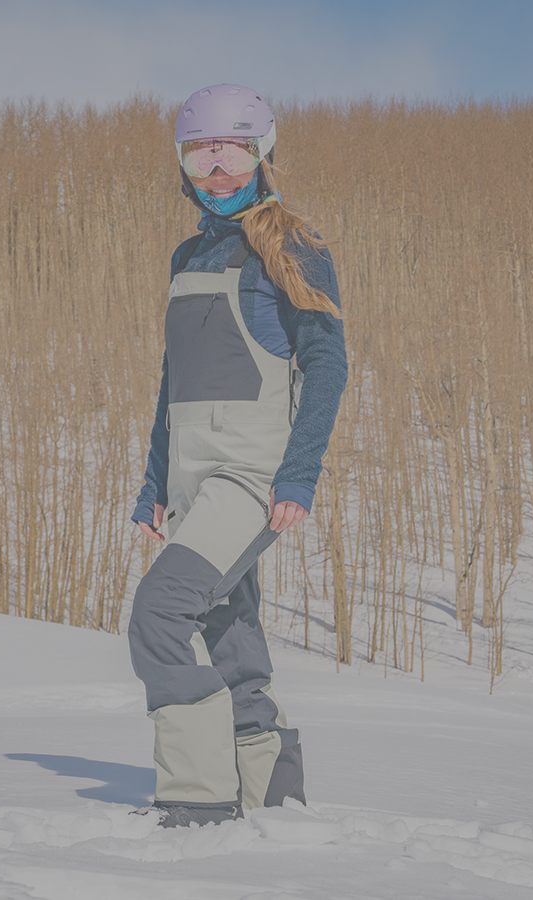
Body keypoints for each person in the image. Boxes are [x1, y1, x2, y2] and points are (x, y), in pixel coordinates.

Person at [128, 83, 348, 829]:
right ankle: (271, 797)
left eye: (232, 153)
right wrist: (155, 483)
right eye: (201, 155)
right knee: (229, 631)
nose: (217, 171)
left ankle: (196, 800)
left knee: (161, 612)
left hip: (251, 477)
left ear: (263, 156)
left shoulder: (294, 247)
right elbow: (175, 383)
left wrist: (298, 475)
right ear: (182, 163)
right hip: (193, 479)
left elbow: (327, 365)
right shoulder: (187, 254)